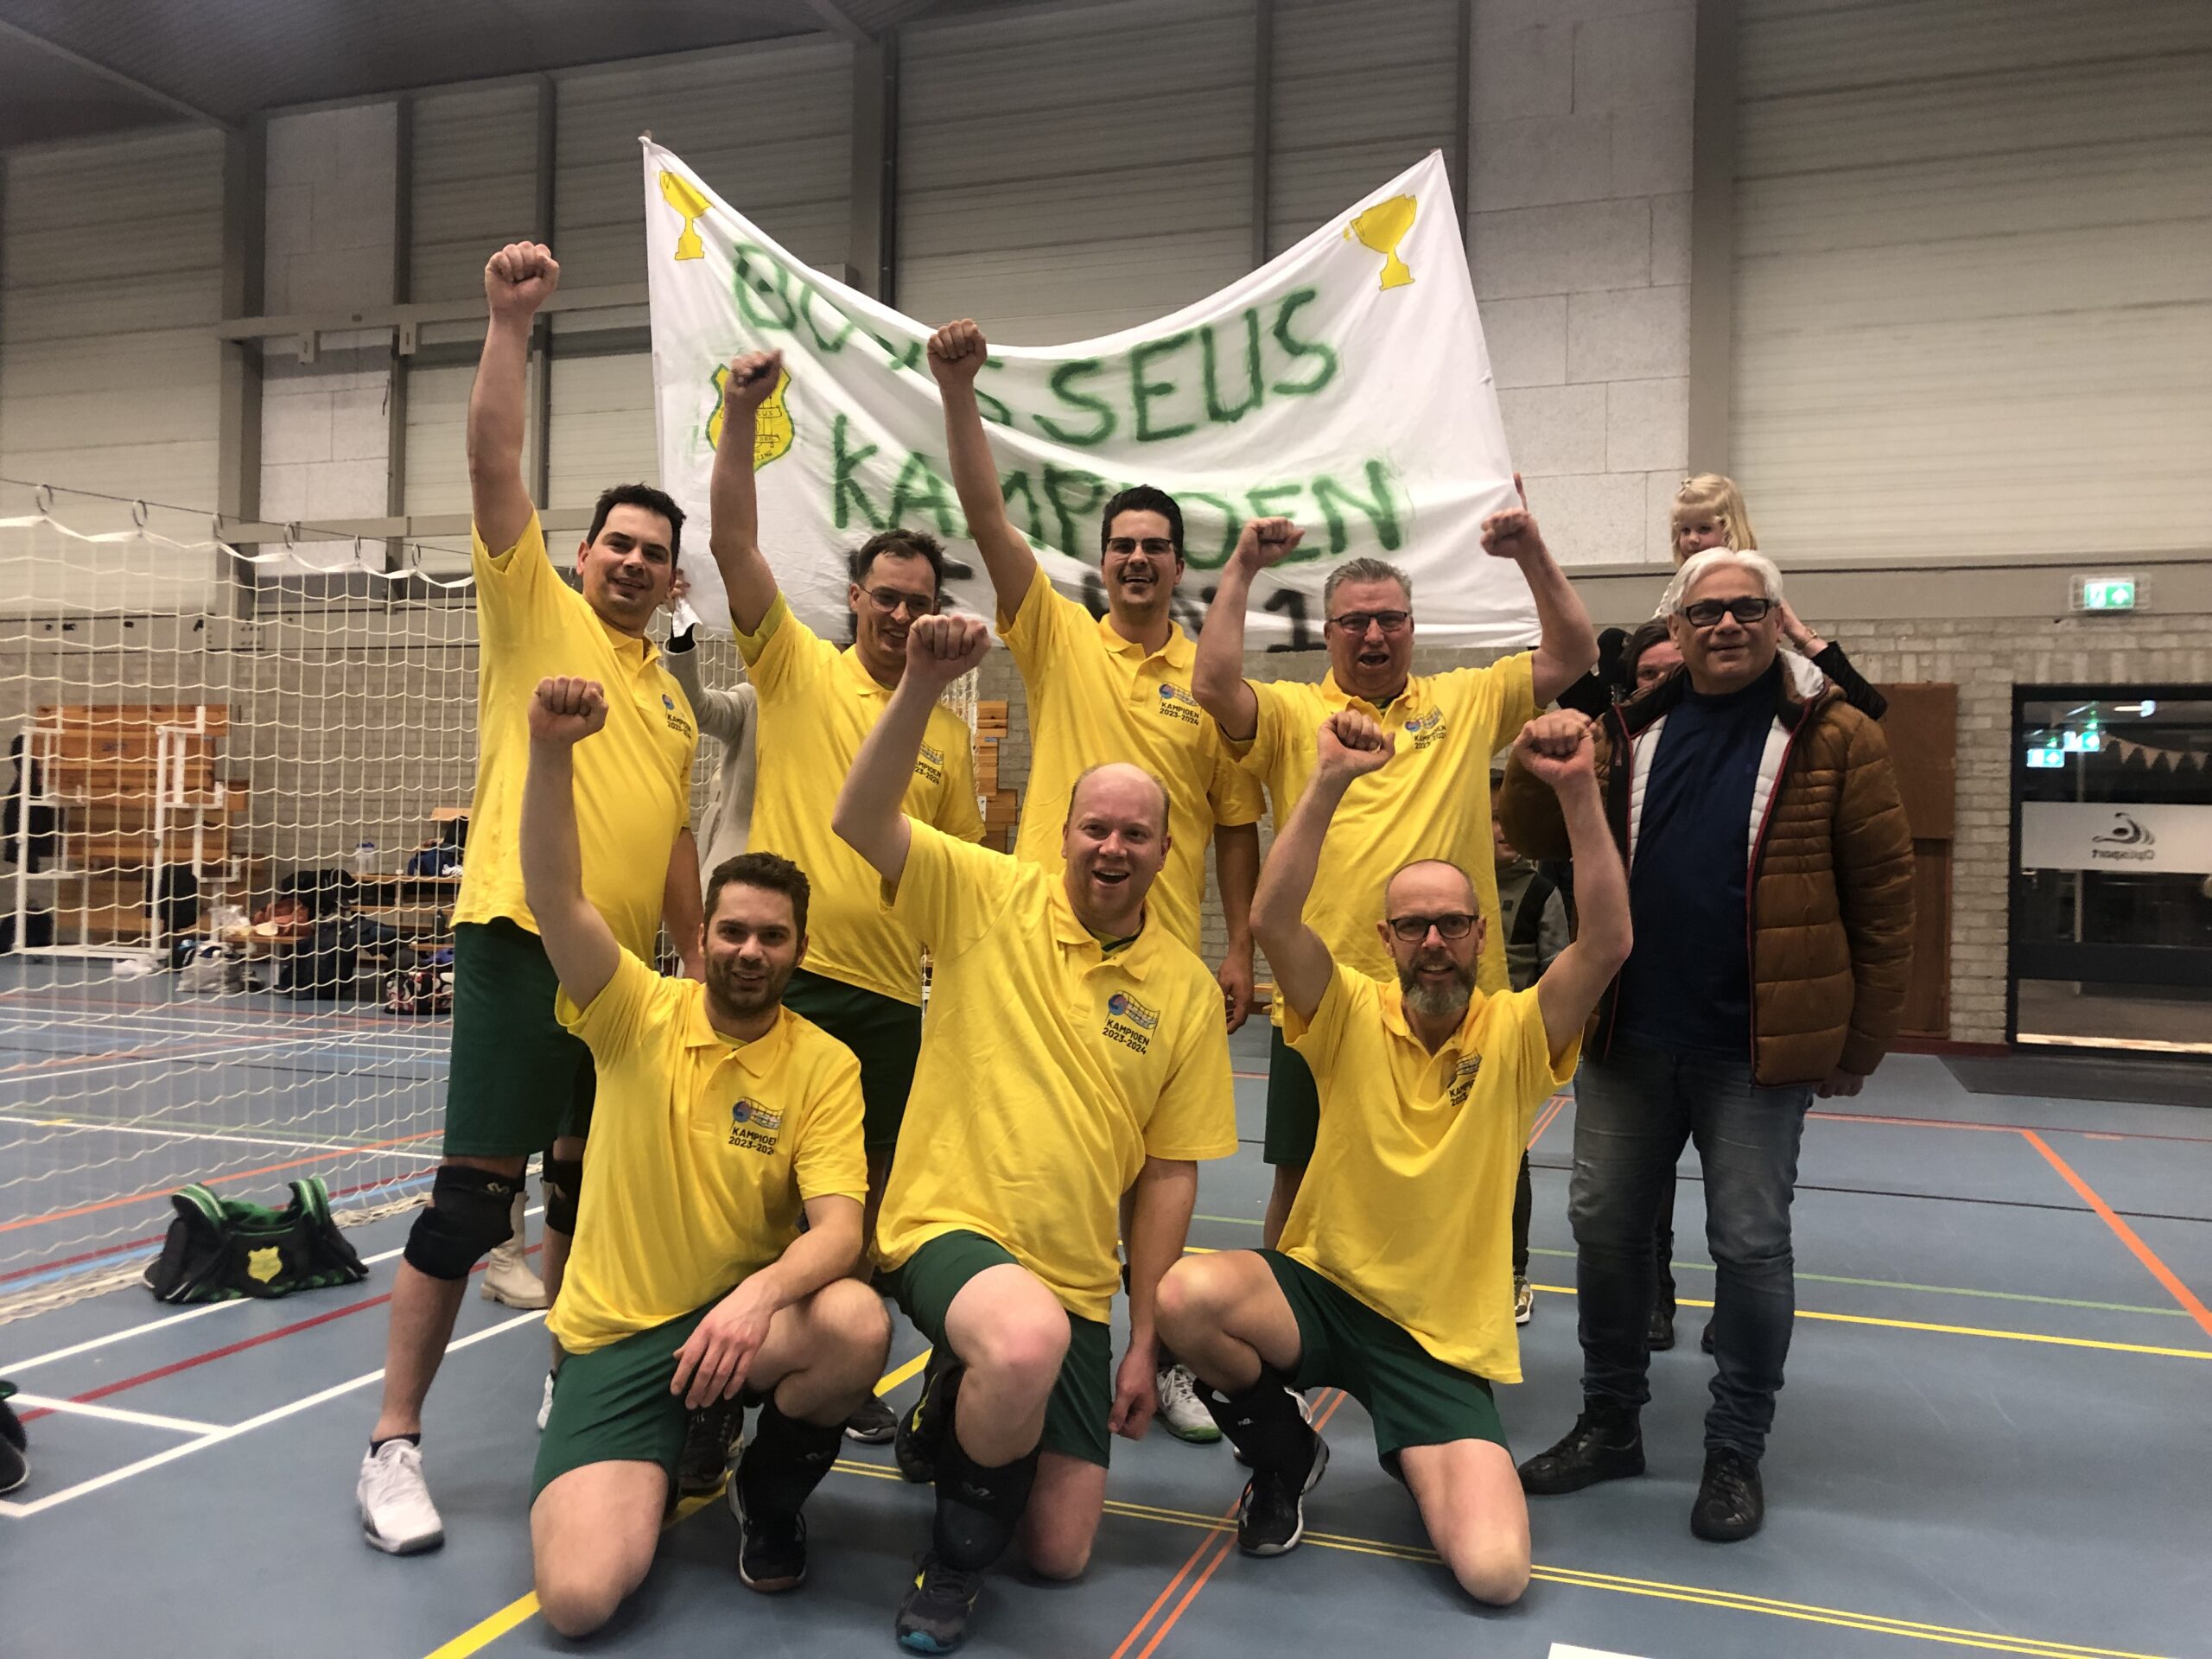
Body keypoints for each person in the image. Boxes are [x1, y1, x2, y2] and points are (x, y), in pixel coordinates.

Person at [357, 241, 704, 1556]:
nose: (633, 562)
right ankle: (393, 1443)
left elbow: (671, 844)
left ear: (675, 580)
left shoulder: (673, 701)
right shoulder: (532, 614)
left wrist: (687, 967)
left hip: (626, 982)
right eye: (618, 543)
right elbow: (491, 460)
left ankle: (572, 1379)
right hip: (518, 937)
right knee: (469, 1206)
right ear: (581, 552)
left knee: (587, 1193)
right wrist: (509, 323)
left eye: (655, 553)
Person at [1154, 707, 1629, 1600]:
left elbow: (1606, 943)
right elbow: (1273, 916)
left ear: (1481, 934)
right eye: (1412, 927)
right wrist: (1328, 780)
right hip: (1324, 1297)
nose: (1434, 943)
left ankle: (1420, 1449)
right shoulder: (1345, 1014)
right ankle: (1285, 1452)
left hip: (1436, 1346)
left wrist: (1576, 793)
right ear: (1386, 940)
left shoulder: (1518, 1033)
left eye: (1451, 924)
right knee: (1185, 1296)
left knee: (1495, 1575)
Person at [831, 613, 1236, 1656]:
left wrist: (1144, 1339)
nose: (1112, 848)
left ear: (1165, 850)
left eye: (1135, 834)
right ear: (1062, 833)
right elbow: (859, 817)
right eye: (1095, 827)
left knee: (1059, 1552)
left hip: (1074, 1278)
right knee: (1022, 1341)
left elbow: (1168, 1174)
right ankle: (953, 1567)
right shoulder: (982, 893)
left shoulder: (1185, 991)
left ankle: (950, 1404)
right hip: (948, 1226)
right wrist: (922, 686)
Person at [1502, 547, 1914, 1543]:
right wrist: (1532, 755)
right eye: (1706, 612)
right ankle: (1610, 1423)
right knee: (1604, 1229)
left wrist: (1858, 1042)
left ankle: (1734, 1451)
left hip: (1754, 1050)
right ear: (1677, 631)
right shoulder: (1627, 731)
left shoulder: (1838, 736)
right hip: (1628, 1035)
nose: (1726, 624)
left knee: (1750, 1245)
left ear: (1776, 620)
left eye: (1746, 608)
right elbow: (1533, 833)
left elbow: (1885, 901)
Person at [926, 316, 1264, 1444]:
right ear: (1103, 561)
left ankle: (1151, 1351)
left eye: (1154, 548)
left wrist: (1238, 946)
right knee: (1014, 1163)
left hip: (1156, 968)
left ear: (1177, 566)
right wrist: (959, 391)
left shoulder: (1211, 685)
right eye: (1121, 546)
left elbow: (1233, 827)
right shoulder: (1057, 639)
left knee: (1152, 1169)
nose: (1136, 561)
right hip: (1034, 954)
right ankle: (970, 1356)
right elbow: (986, 516)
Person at [516, 676, 889, 1635]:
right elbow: (554, 895)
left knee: (854, 1323)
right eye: (733, 932)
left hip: (734, 1329)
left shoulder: (825, 1064)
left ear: (798, 950)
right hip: (616, 1339)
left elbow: (839, 1231)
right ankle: (657, 1435)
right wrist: (550, 753)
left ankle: (766, 1492)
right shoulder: (631, 1012)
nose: (750, 951)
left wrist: (756, 1298)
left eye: (772, 936)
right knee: (579, 1601)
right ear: (701, 937)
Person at [705, 349, 986, 1449]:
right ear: (855, 600)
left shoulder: (947, 734)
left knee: (857, 1199)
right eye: (885, 598)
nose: (900, 615)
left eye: (919, 603)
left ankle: (839, 1354)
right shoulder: (795, 668)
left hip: (889, 1001)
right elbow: (733, 541)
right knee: (752, 1184)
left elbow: (956, 884)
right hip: (785, 979)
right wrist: (740, 414)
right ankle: (719, 1368)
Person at [1193, 503, 1599, 1246]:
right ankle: (1288, 1303)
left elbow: (1574, 652)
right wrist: (1243, 566)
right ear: (1328, 634)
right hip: (1324, 996)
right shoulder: (1292, 712)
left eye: (1390, 619)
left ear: (1412, 628)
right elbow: (1215, 684)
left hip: (1451, 995)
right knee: (1303, 1177)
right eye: (1354, 621)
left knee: (1468, 1172)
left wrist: (1532, 552)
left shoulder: (1465, 699)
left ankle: (1479, 1293)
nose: (1374, 634)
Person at [1494, 782, 1569, 1327]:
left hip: (1508, 1052)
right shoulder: (1454, 885)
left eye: (1511, 820)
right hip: (1444, 1049)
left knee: (1508, 1161)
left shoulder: (1542, 893)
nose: (1502, 831)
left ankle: (1514, 1272)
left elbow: (1556, 975)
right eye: (1493, 819)